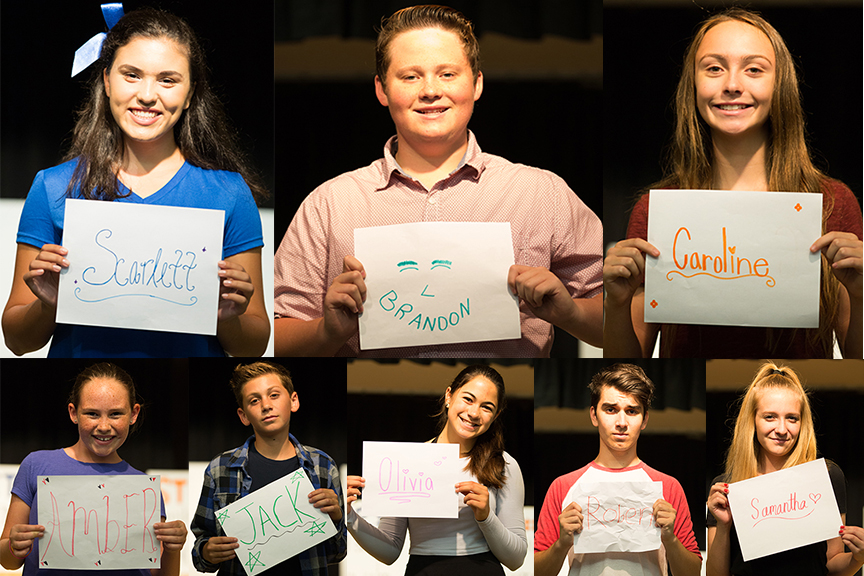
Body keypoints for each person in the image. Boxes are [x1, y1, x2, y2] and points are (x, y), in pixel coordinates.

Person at [273, 4, 602, 357]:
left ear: (476, 83)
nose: (430, 90)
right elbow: (276, 335)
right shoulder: (329, 204)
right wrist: (326, 331)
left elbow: (619, 322)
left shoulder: (541, 193)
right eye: (410, 76)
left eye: (447, 74)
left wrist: (570, 312)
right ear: (382, 90)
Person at [2, 5, 270, 358]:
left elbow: (254, 343)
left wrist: (226, 317)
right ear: (107, 81)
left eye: (168, 79)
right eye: (131, 75)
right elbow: (17, 341)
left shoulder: (229, 194)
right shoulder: (53, 187)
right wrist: (49, 303)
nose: (147, 94)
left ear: (190, 94)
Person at [603, 7, 863, 358]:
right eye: (714, 68)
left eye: (754, 69)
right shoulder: (658, 208)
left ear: (780, 84)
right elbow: (630, 366)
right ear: (692, 85)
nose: (732, 85)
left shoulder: (832, 201)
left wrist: (861, 292)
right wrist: (616, 303)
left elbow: (855, 358)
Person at [0, 362, 188, 576]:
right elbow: (9, 562)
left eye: (116, 414)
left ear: (134, 414)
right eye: (92, 414)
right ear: (73, 413)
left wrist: (174, 549)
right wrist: (14, 546)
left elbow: (156, 573)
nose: (104, 426)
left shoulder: (143, 486)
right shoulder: (37, 465)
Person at [346, 364, 527, 574]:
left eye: (487, 407)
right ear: (449, 396)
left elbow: (516, 559)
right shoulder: (408, 461)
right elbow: (390, 550)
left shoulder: (504, 464)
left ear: (496, 416)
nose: (474, 412)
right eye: (468, 399)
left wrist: (486, 517)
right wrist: (349, 516)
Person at [534, 363, 701, 576]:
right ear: (594, 415)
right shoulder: (563, 486)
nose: (621, 422)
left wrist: (671, 538)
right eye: (611, 409)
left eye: (632, 411)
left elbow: (694, 572)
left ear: (645, 419)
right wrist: (562, 542)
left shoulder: (667, 486)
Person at [706, 363, 864, 576]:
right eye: (770, 417)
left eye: (792, 418)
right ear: (752, 420)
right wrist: (723, 527)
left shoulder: (825, 476)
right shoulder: (727, 488)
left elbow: (833, 564)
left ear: (802, 422)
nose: (781, 429)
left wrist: (858, 558)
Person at [191, 361, 347, 575]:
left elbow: (337, 553)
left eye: (274, 395)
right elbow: (201, 548)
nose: (266, 405)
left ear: (294, 401)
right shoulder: (221, 468)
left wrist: (336, 518)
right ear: (243, 415)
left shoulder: (323, 466)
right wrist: (207, 551)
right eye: (254, 400)